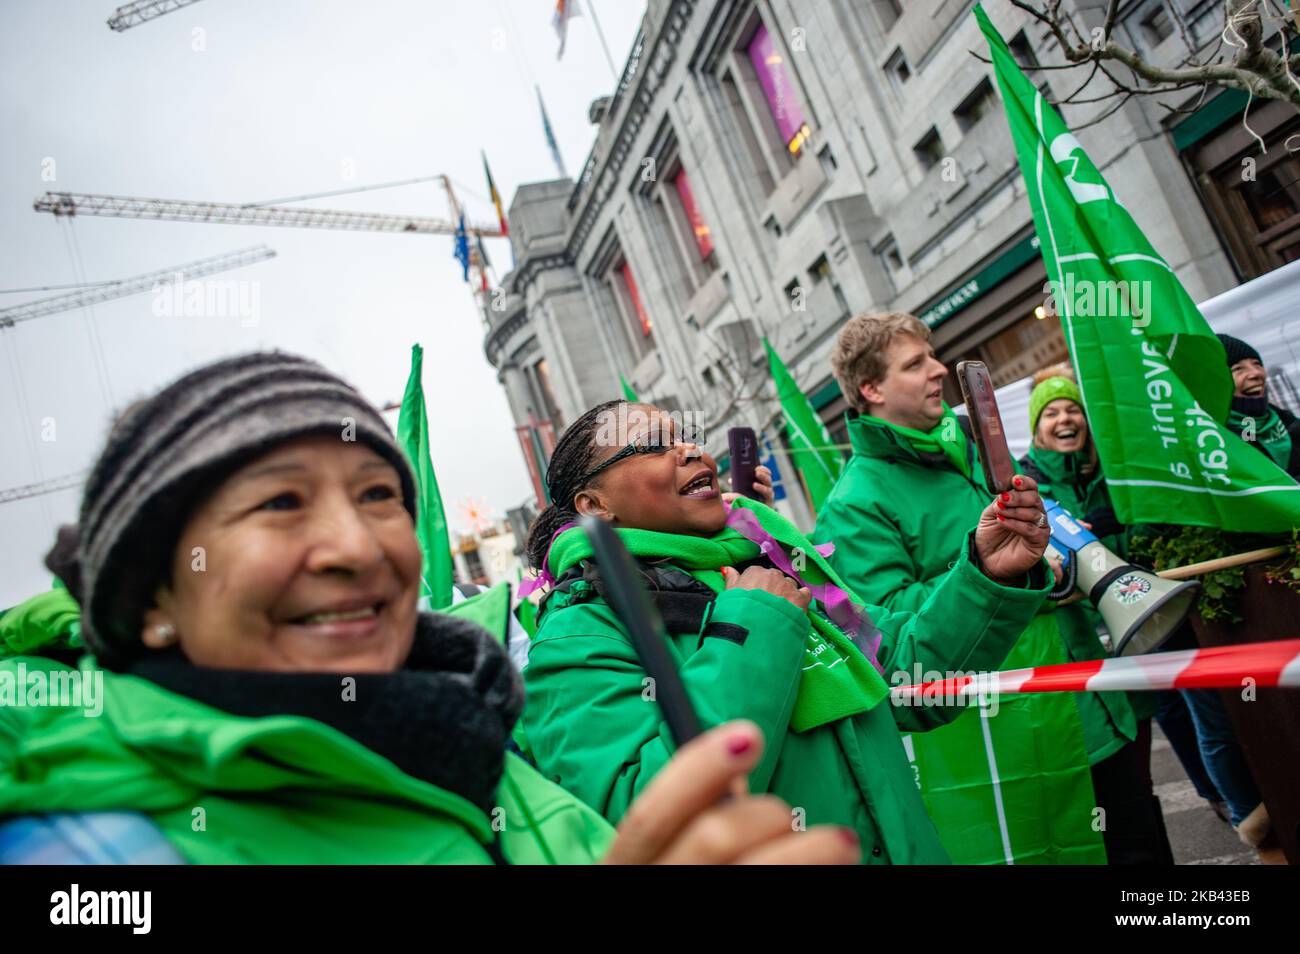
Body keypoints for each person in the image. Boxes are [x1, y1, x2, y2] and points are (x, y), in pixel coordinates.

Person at [0, 352, 858, 866]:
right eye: (279, 505)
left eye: (378, 495)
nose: (358, 546)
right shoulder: (85, 848)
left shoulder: (483, 764)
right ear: (151, 597)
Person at [520, 397, 1055, 864]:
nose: (690, 451)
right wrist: (754, 628)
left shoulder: (774, 560)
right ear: (597, 506)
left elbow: (908, 675)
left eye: (687, 438)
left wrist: (986, 573)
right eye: (654, 445)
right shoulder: (578, 632)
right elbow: (646, 819)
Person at [813, 313, 1168, 865]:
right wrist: (995, 570)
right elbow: (885, 625)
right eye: (915, 364)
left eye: (932, 355)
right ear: (871, 389)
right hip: (1015, 731)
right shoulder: (853, 502)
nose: (938, 370)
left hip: (1096, 706)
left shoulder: (977, 448)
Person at [1020, 363, 1271, 853]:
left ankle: (1228, 802)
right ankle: (1208, 800)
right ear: (1037, 428)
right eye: (1052, 412)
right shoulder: (1030, 484)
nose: (1065, 419)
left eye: (1073, 409)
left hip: (1146, 610)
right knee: (1145, 730)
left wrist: (1111, 529)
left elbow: (1143, 526)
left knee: (1190, 707)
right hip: (1092, 634)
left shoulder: (1111, 467)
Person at [1217, 333, 1300, 477]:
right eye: (1238, 369)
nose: (1255, 373)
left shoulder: (1289, 423)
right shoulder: (1218, 444)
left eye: (1257, 364)